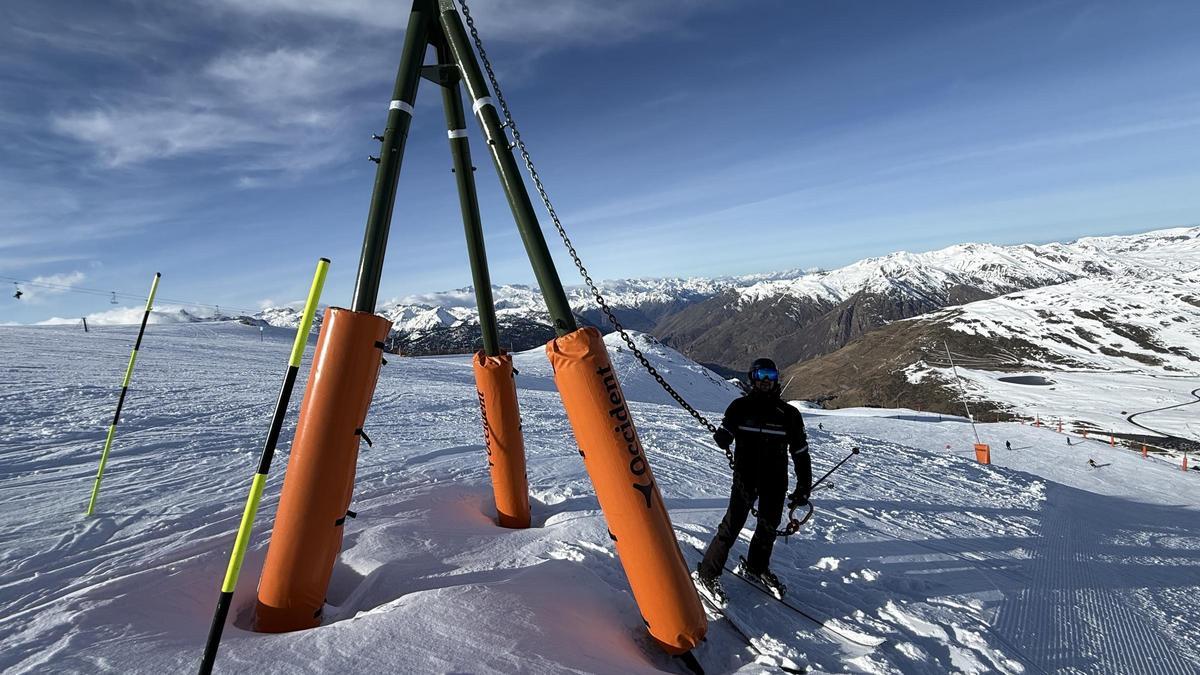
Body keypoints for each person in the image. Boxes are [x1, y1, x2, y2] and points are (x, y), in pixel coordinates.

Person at [695, 357, 811, 602]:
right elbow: (726, 433)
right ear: (752, 378)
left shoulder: (789, 414)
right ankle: (707, 572)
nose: (766, 381)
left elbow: (800, 453)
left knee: (768, 528)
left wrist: (803, 486)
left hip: (776, 481)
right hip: (745, 478)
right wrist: (723, 437)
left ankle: (756, 567)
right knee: (732, 525)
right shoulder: (739, 408)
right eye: (761, 375)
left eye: (771, 375)